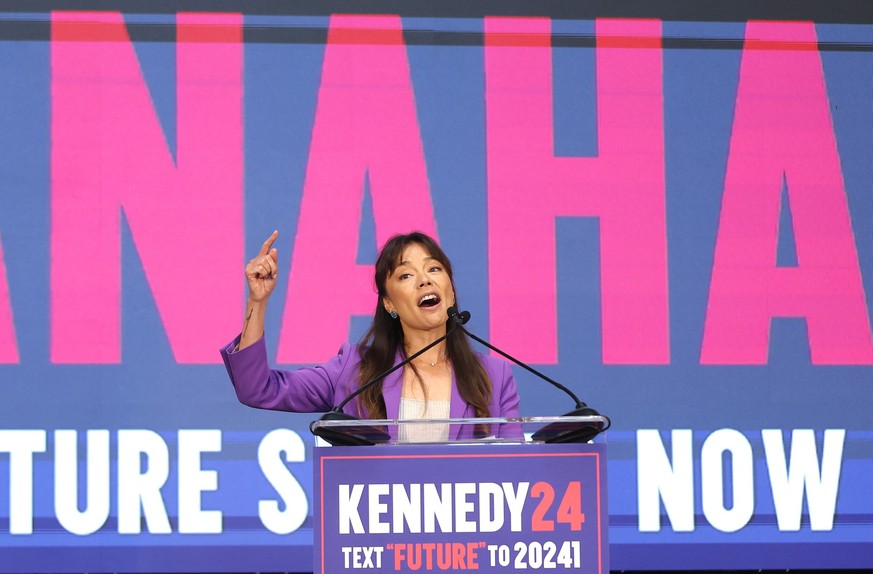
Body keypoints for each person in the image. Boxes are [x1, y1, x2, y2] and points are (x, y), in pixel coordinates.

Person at [220, 230, 520, 442]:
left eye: (434, 268)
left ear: (451, 292)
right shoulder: (355, 371)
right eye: (406, 275)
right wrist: (257, 302)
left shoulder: (493, 376)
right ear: (389, 303)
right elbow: (257, 389)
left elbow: (515, 473)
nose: (424, 279)